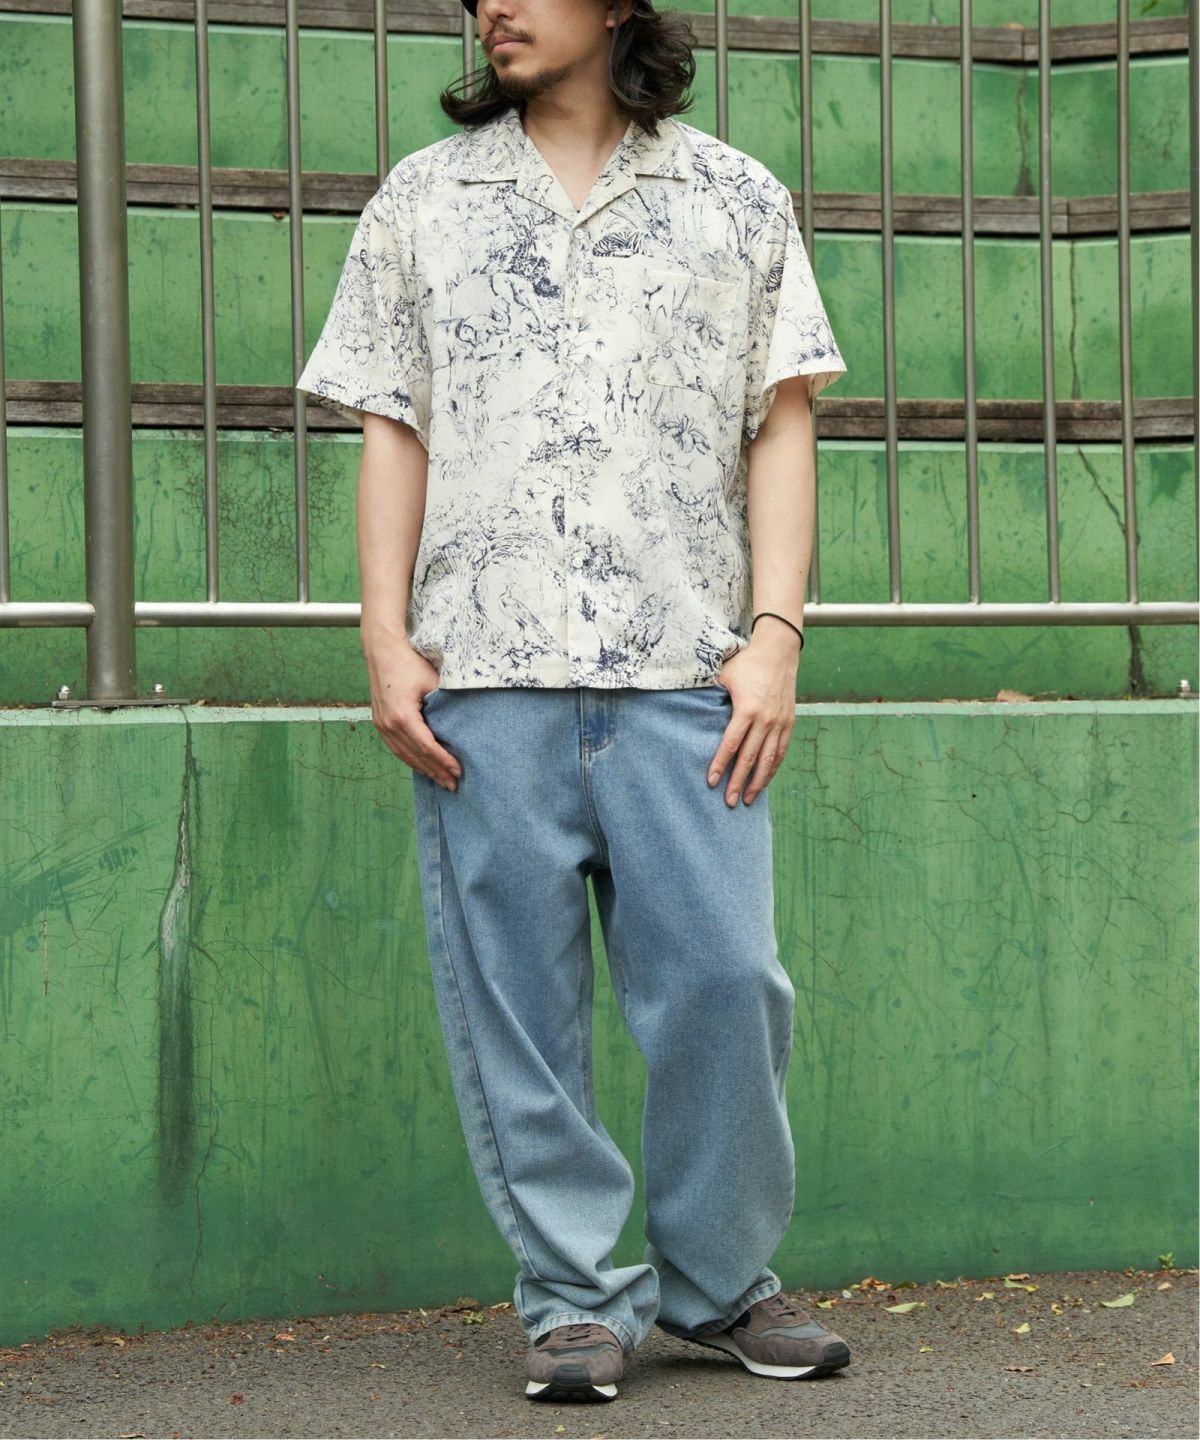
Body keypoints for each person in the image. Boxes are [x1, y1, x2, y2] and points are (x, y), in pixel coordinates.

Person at [296, 0, 849, 1405]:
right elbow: (393, 425)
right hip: (484, 681)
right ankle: (572, 1303)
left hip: (685, 677)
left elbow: (781, 419)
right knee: (521, 1021)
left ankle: (720, 1283)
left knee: (728, 981)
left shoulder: (735, 196)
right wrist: (384, 637)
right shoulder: (422, 201)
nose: (497, 5)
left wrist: (776, 635)